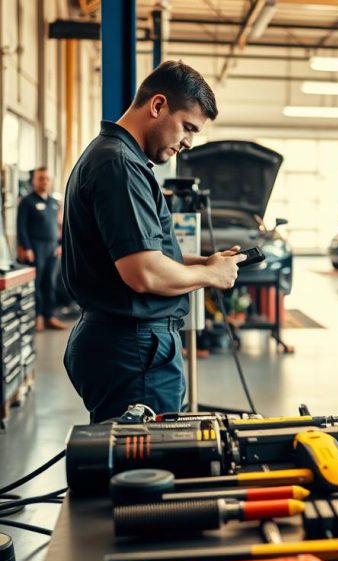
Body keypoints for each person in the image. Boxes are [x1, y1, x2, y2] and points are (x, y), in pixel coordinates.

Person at [62, 61, 246, 423]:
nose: (187, 144)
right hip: (134, 352)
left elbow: (144, 254)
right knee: (143, 471)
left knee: (128, 467)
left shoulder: (117, 158)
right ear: (158, 106)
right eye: (187, 128)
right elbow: (143, 273)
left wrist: (204, 263)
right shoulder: (119, 166)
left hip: (128, 347)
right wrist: (212, 278)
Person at [17, 167, 65, 331]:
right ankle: (37, 317)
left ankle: (49, 316)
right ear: (34, 180)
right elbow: (21, 227)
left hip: (52, 247)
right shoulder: (27, 201)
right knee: (36, 284)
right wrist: (27, 247)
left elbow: (59, 226)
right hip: (35, 248)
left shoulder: (53, 202)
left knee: (49, 283)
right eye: (40, 178)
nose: (44, 181)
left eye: (46, 178)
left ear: (50, 181)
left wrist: (60, 244)